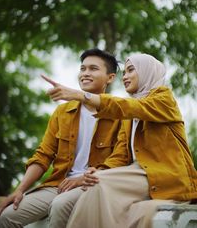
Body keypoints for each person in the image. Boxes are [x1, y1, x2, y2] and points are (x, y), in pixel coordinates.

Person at [39, 53, 197, 228]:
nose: (125, 77)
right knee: (81, 192)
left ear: (147, 72)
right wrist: (97, 171)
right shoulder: (130, 115)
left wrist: (79, 95)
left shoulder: (164, 99)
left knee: (99, 185)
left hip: (166, 175)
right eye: (124, 73)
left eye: (130, 70)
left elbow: (128, 107)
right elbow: (121, 155)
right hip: (137, 173)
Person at [0, 48, 122, 228]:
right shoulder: (63, 112)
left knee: (59, 206)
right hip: (58, 184)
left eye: (93, 69)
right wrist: (19, 190)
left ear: (110, 78)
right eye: (82, 69)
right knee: (5, 217)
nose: (85, 74)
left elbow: (120, 160)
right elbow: (43, 155)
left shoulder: (119, 113)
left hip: (93, 185)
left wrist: (82, 179)